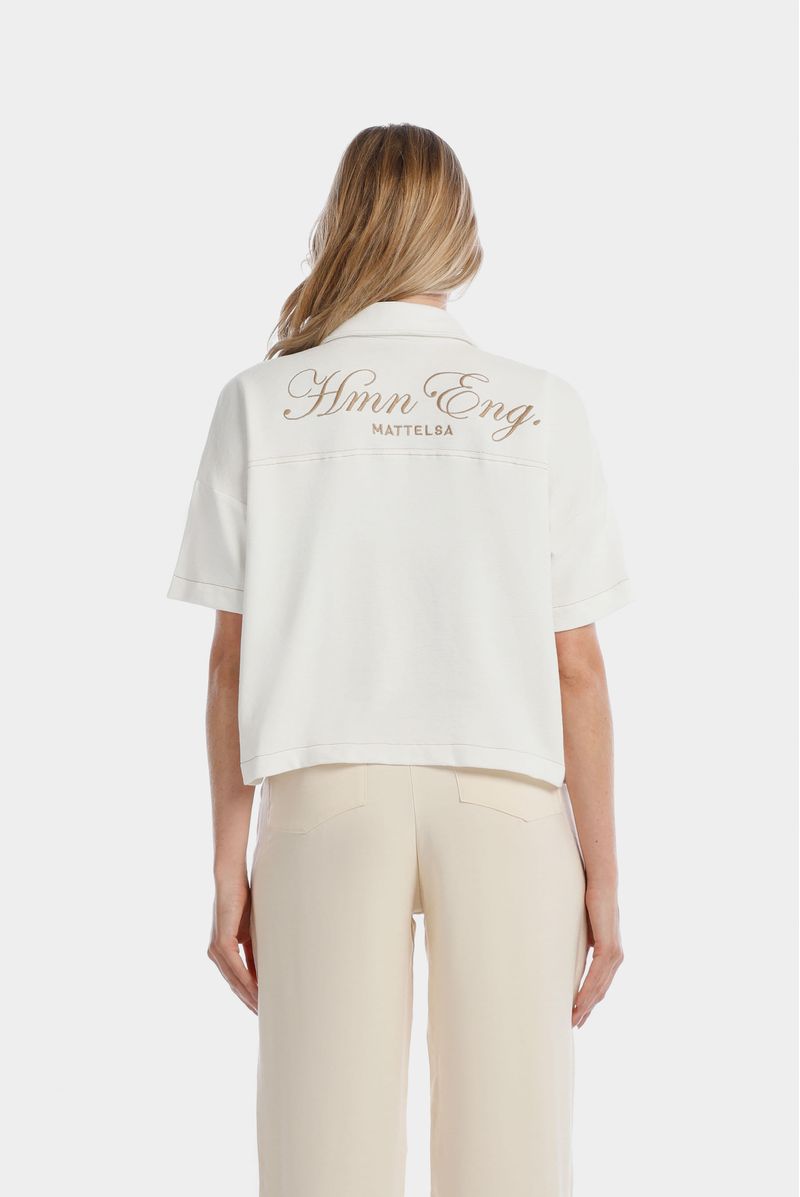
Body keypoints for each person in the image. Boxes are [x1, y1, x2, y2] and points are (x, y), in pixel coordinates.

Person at [168, 123, 633, 1197]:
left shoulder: (260, 401)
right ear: (460, 233)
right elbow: (577, 668)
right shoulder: (540, 406)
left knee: (318, 1156)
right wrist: (605, 879)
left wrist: (227, 870)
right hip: (509, 798)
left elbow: (230, 666)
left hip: (324, 794)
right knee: (514, 1158)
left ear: (342, 224)